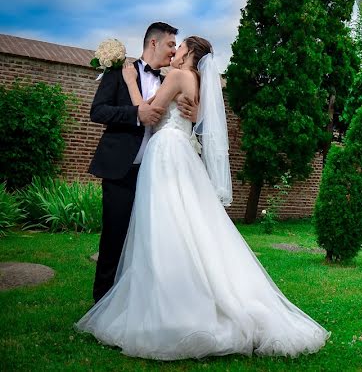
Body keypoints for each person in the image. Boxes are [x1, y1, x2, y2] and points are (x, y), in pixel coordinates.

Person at [76, 36, 329, 360]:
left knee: (166, 226)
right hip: (178, 153)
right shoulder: (196, 82)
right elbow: (194, 120)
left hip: (167, 152)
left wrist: (129, 81)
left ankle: (170, 304)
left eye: (179, 47)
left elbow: (151, 111)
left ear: (191, 54)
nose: (175, 51)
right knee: (185, 224)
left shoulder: (180, 76)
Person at [88, 21, 197, 303]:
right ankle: (101, 303)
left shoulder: (169, 81)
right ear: (153, 43)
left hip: (157, 174)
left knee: (148, 240)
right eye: (171, 45)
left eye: (177, 46)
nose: (174, 52)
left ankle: (135, 301)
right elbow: (98, 111)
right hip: (122, 170)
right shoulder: (120, 72)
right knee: (114, 237)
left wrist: (195, 113)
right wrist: (136, 115)